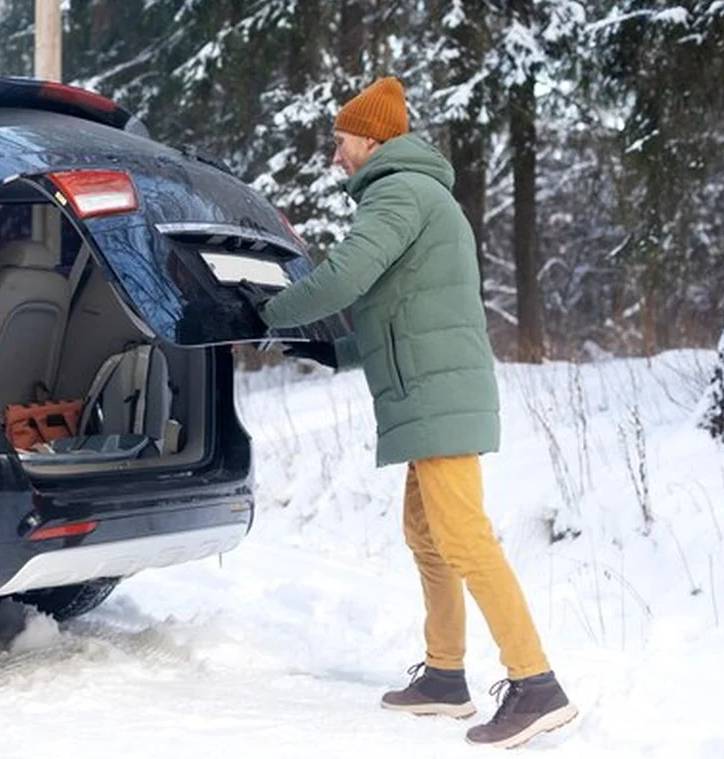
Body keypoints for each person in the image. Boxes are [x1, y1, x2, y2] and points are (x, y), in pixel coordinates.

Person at [238, 77, 578, 749]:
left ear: (371, 140)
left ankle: (536, 683)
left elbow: (345, 276)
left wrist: (268, 312)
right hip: (429, 390)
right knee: (426, 534)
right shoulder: (416, 195)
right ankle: (445, 675)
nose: (335, 156)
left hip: (437, 394)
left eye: (340, 141)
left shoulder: (398, 192)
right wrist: (330, 352)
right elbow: (401, 314)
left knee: (464, 537)